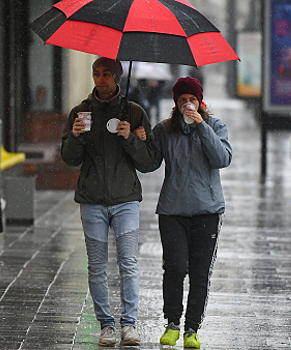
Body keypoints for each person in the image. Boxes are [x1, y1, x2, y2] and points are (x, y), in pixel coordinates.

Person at [61, 57, 158, 347]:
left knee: (128, 262)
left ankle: (129, 324)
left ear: (117, 77)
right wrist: (76, 136)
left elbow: (150, 161)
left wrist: (131, 138)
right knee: (97, 265)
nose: (100, 79)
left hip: (126, 199)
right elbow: (69, 159)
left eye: (106, 74)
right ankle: (106, 325)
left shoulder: (134, 112)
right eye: (96, 73)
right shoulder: (81, 111)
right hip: (92, 199)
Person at [135, 77, 232, 349]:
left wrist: (202, 127)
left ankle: (192, 329)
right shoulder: (164, 130)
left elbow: (222, 159)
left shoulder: (215, 126)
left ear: (200, 102)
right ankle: (172, 323)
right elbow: (148, 164)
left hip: (207, 210)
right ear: (175, 104)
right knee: (175, 267)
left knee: (200, 273)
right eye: (181, 100)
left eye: (192, 100)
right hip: (173, 210)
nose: (187, 104)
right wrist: (138, 142)